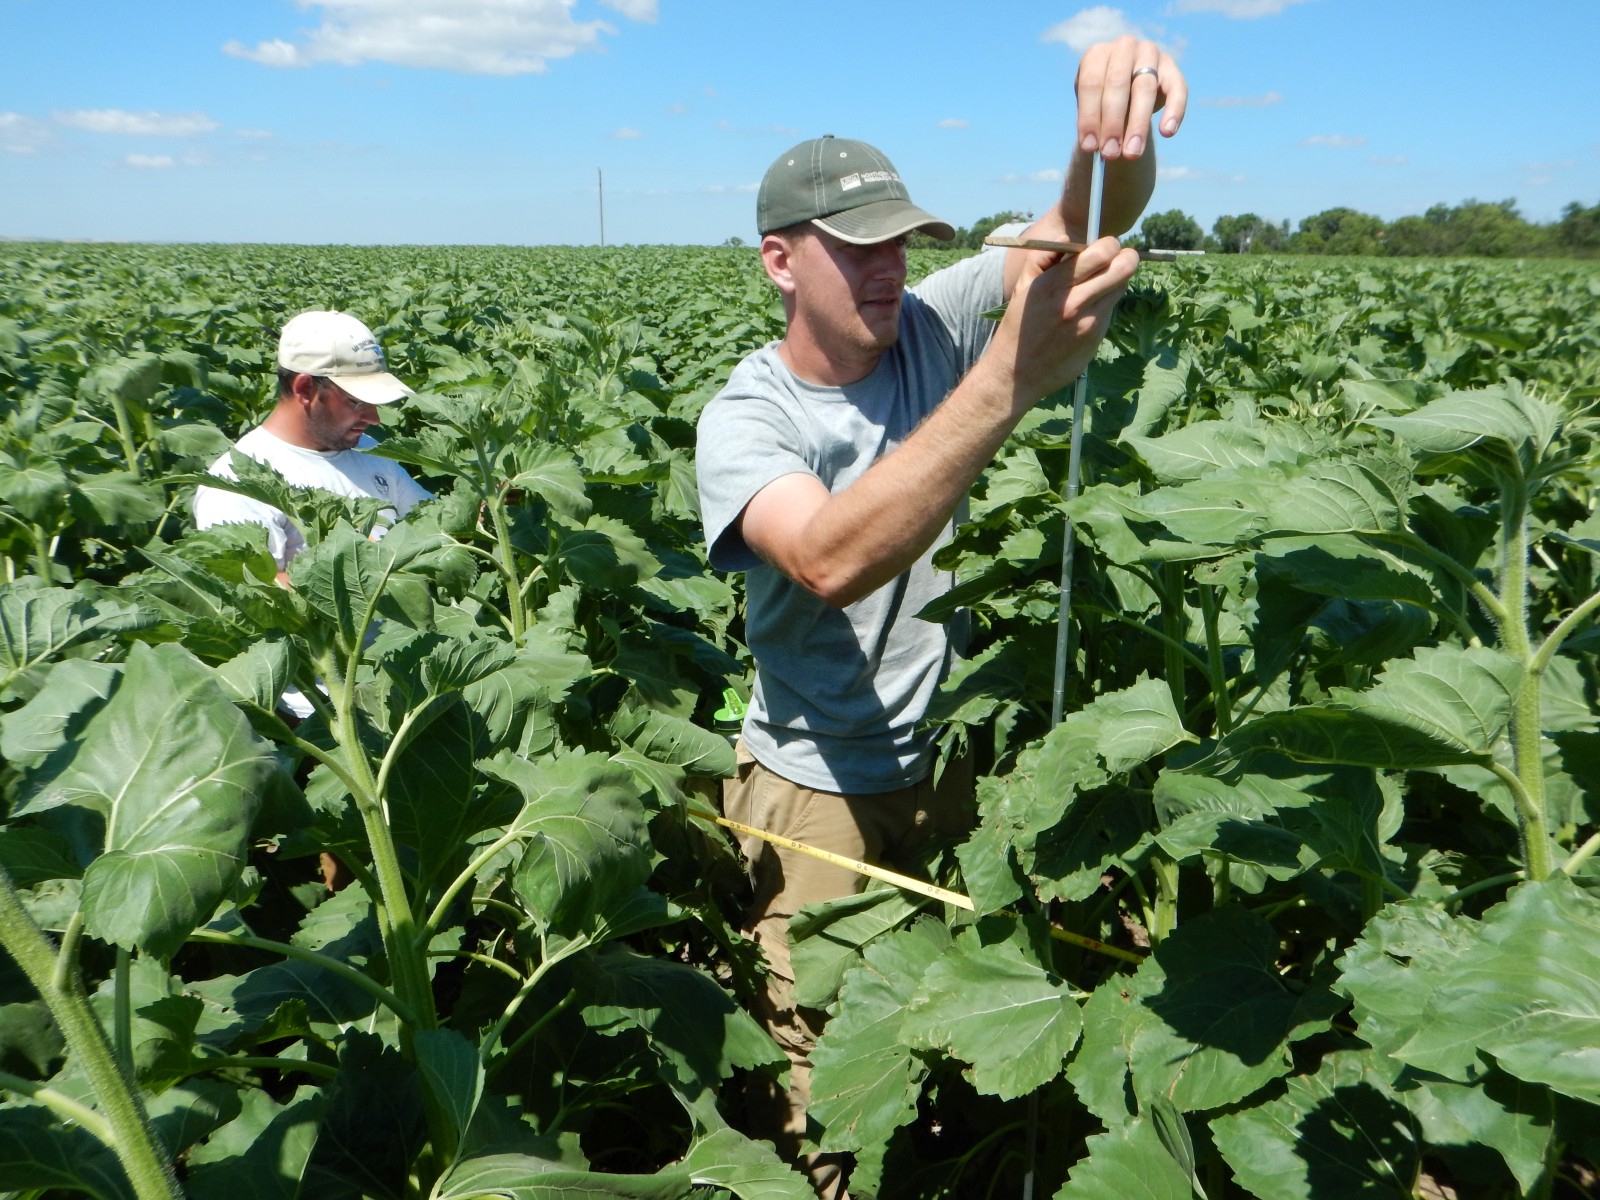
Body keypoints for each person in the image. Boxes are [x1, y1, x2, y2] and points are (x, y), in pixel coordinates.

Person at [694, 37, 1187, 1199]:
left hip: (956, 770)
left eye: (901, 243)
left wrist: (1102, 124)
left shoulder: (930, 320)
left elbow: (1073, 233)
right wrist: (1007, 382)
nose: (888, 270)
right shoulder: (748, 417)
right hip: (817, 790)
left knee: (957, 1030)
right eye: (856, 249)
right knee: (828, 1081)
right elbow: (827, 559)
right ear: (778, 261)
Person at [194, 309, 431, 713]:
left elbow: (428, 522)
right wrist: (370, 574)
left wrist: (483, 508)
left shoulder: (372, 455)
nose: (373, 419)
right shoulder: (235, 482)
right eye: (356, 401)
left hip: (395, 681)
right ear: (305, 388)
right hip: (315, 707)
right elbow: (253, 596)